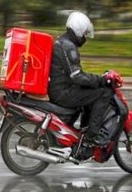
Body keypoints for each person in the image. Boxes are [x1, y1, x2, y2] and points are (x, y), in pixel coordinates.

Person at [48, 11, 114, 158]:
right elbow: (77, 76)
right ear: (77, 30)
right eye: (84, 34)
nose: (85, 37)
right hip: (63, 92)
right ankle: (90, 138)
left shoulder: (64, 42)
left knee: (90, 90)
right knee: (103, 93)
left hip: (61, 88)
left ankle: (83, 131)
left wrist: (94, 81)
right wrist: (101, 80)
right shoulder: (68, 46)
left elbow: (75, 74)